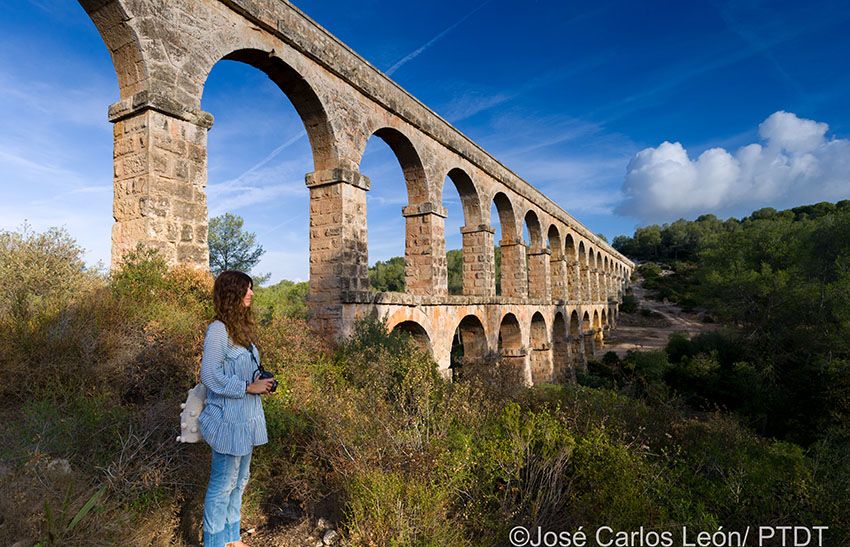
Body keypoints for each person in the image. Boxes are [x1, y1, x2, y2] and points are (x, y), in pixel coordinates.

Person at [199, 270, 275, 547]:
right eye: (247, 288)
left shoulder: (241, 330)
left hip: (246, 419)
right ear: (233, 293)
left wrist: (259, 381)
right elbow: (210, 375)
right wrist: (246, 387)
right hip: (228, 422)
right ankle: (214, 542)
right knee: (222, 485)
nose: (252, 293)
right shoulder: (218, 330)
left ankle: (232, 538)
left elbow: (241, 369)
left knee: (240, 481)